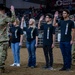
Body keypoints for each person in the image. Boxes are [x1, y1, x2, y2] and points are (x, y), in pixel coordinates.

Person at [0, 4, 16, 72]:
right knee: (3, 54)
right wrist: (12, 11)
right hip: (3, 39)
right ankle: (1, 68)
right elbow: (13, 20)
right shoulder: (4, 17)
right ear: (3, 10)